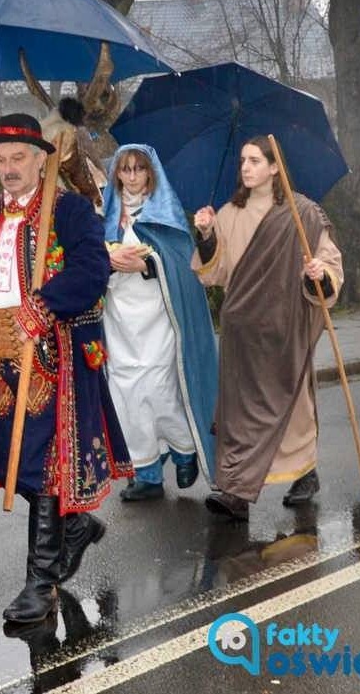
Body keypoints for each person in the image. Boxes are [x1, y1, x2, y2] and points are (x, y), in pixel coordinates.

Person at [0, 112, 131, 626]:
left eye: (18, 158)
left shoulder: (68, 210)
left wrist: (43, 307)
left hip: (51, 353)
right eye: (0, 160)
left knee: (43, 465)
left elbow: (93, 271)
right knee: (16, 465)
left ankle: (40, 582)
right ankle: (74, 528)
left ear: (41, 159)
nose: (8, 169)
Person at [193, 137, 343, 521]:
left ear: (275, 167)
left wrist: (318, 275)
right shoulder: (229, 212)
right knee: (239, 412)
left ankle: (305, 472)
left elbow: (330, 265)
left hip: (285, 327)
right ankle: (237, 492)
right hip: (242, 330)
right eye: (243, 160)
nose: (246, 167)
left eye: (255, 160)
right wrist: (207, 235)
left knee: (291, 410)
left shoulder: (303, 213)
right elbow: (214, 273)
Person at [101, 144, 218, 502]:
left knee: (160, 389)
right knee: (126, 394)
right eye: (126, 169)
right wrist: (107, 259)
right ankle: (148, 473)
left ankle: (184, 450)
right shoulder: (104, 216)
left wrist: (147, 265)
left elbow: (184, 266)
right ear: (117, 173)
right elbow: (88, 261)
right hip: (120, 320)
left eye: (139, 169)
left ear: (151, 173)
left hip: (159, 319)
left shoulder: (166, 216)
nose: (133, 176)